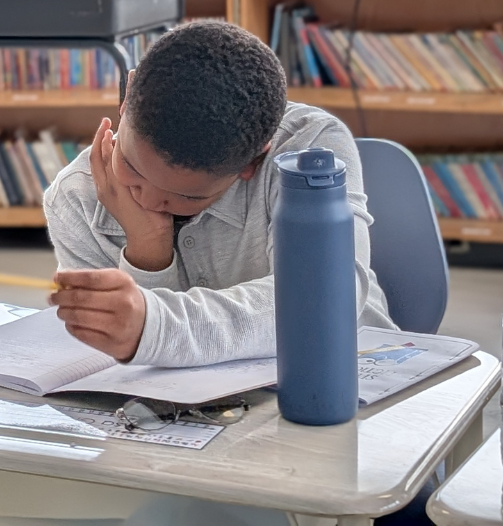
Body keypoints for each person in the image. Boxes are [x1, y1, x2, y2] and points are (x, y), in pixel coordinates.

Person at [45, 21, 395, 367]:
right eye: (130, 166)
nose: (148, 202)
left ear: (253, 161)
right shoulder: (76, 199)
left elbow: (323, 299)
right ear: (127, 96)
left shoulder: (310, 151)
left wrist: (156, 326)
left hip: (356, 371)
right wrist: (148, 250)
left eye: (187, 197)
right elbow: (121, 363)